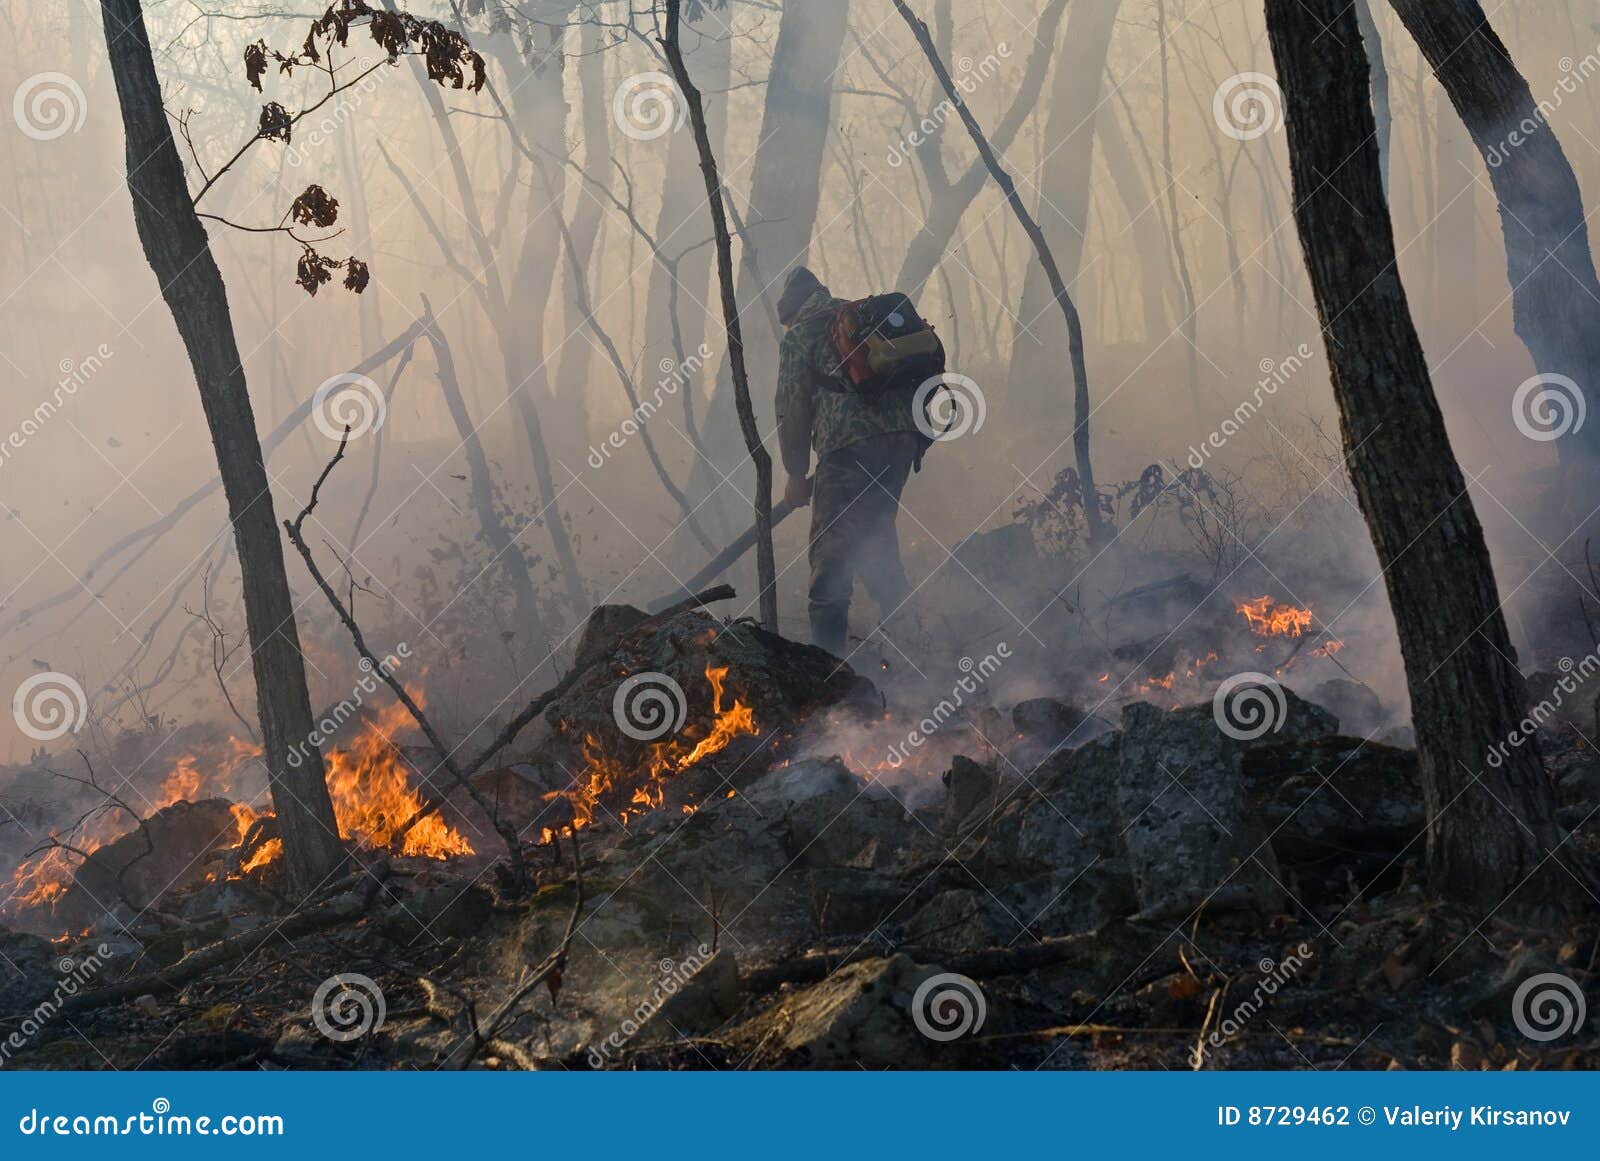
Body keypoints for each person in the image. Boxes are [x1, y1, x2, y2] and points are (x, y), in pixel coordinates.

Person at [774, 266, 926, 657]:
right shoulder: (857, 318)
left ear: (791, 312)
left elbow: (792, 409)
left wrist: (795, 474)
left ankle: (826, 672)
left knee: (831, 556)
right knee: (874, 538)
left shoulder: (801, 334)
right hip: (901, 443)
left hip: (848, 448)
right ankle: (917, 653)